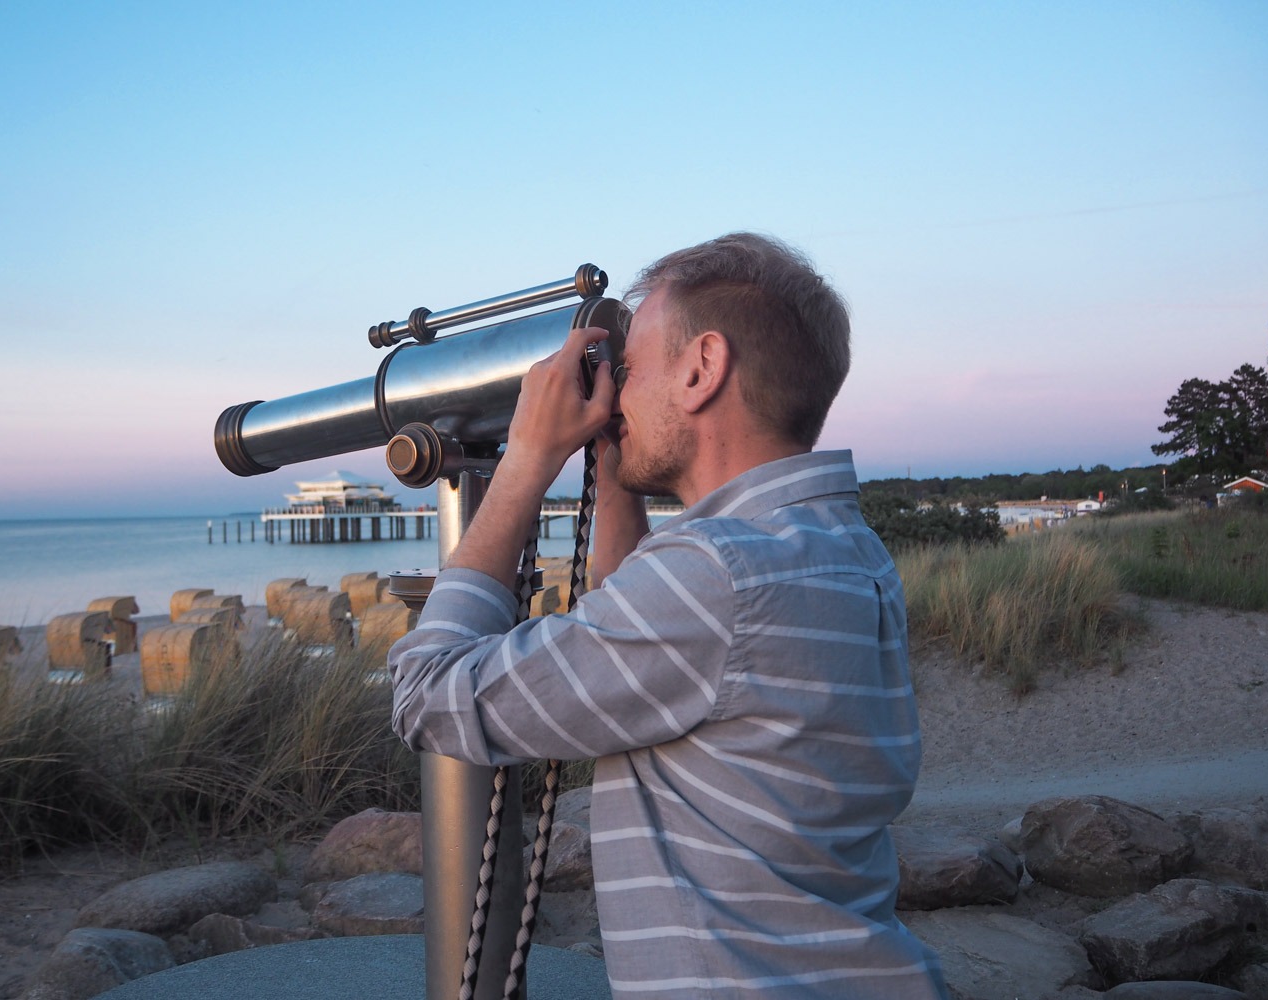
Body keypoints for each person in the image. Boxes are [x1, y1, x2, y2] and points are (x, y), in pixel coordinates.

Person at [389, 232, 949, 999]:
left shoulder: (716, 577)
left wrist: (525, 462)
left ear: (702, 368)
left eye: (631, 369)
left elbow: (429, 694)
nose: (615, 391)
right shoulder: (839, 549)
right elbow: (635, 643)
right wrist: (614, 466)